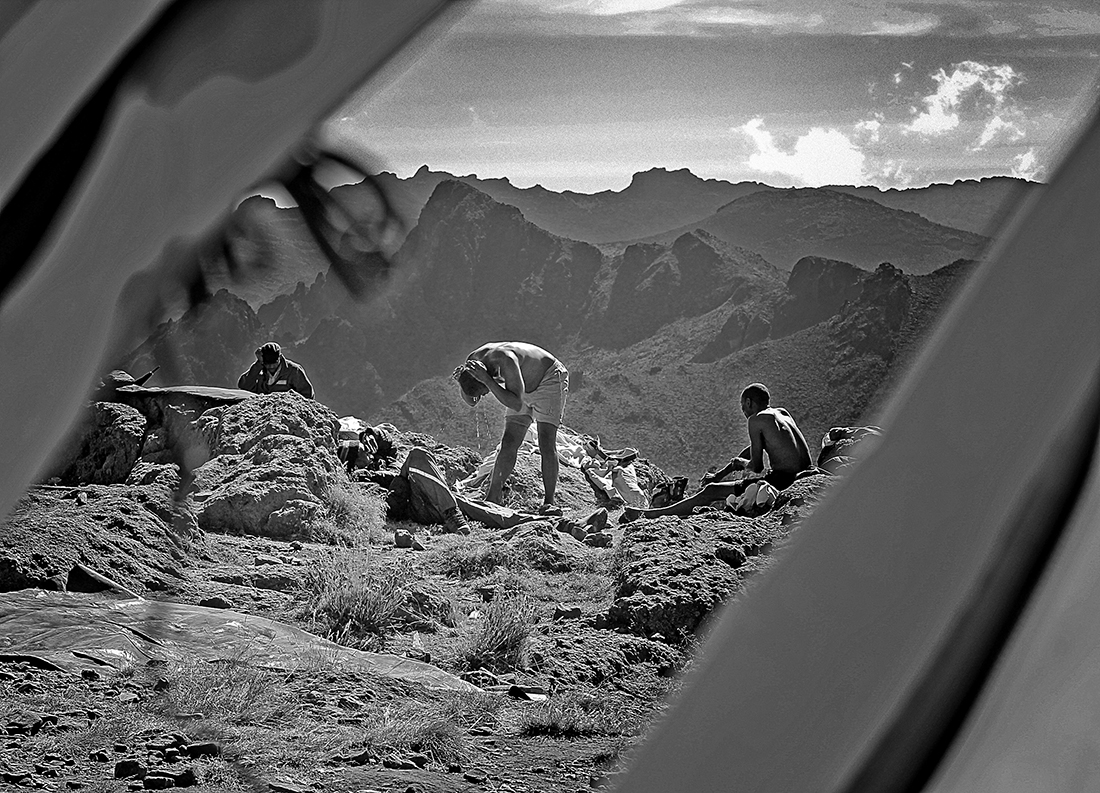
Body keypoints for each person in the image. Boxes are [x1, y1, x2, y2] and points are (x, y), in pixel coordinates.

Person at [621, 383, 812, 522]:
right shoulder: (782, 414)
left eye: (743, 407)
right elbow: (755, 449)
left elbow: (756, 466)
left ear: (748, 402)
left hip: (783, 480)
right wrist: (721, 473)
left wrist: (740, 463)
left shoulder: (756, 420)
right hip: (806, 475)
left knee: (711, 491)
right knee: (717, 485)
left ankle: (649, 515)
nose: (744, 412)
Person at [452, 341, 569, 514]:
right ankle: (492, 498)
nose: (487, 393)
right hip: (518, 388)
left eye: (486, 390)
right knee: (509, 442)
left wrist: (488, 381)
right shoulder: (472, 366)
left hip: (548, 379)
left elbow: (516, 403)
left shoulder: (505, 359)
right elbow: (472, 401)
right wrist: (460, 382)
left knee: (546, 441)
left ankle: (549, 502)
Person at [237, 342, 314, 398]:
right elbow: (244, 386)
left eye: (274, 363)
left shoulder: (294, 371)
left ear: (279, 357)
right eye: (267, 363)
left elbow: (307, 394)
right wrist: (258, 365)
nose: (271, 366)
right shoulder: (259, 370)